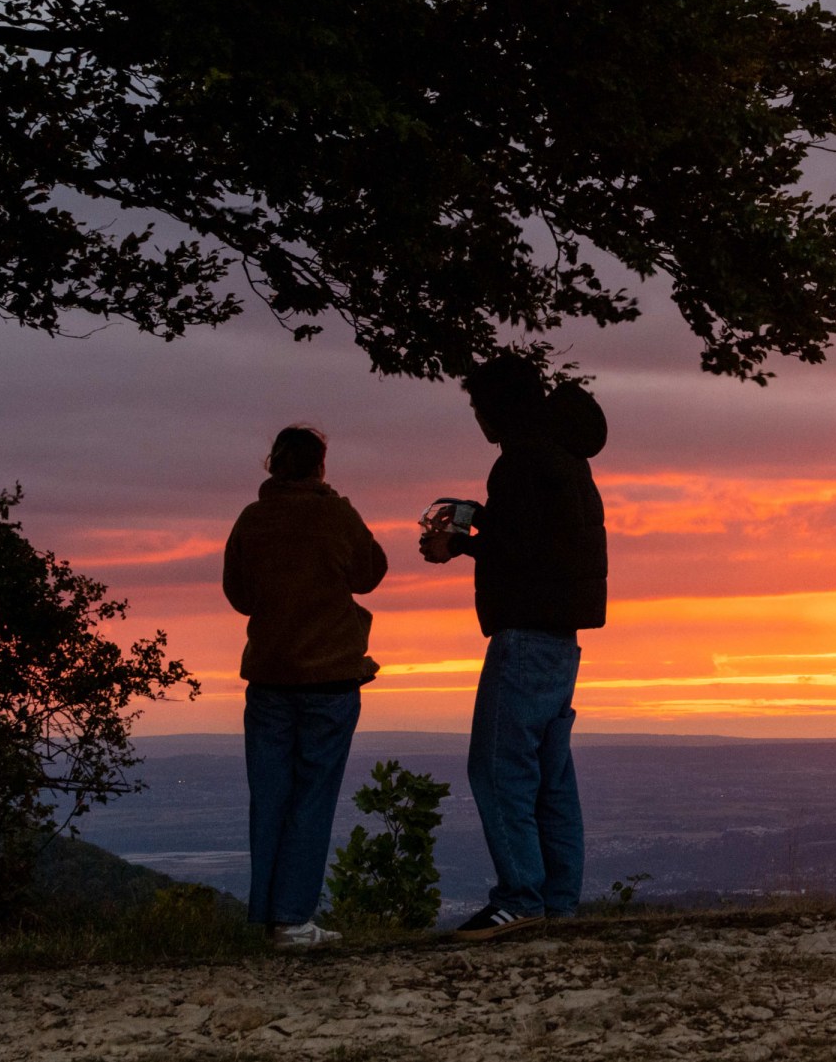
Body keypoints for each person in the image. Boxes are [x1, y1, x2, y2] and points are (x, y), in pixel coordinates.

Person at [419, 355, 608, 940]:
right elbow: (542, 535)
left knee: (498, 769)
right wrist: (476, 520)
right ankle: (557, 903)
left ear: (501, 404)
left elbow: (524, 549)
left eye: (480, 406)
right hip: (561, 639)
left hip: (524, 636)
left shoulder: (521, 461)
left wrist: (460, 546)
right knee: (550, 777)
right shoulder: (563, 458)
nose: (478, 419)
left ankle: (520, 899)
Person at [222, 424, 388, 950]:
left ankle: (271, 916)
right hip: (331, 677)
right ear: (321, 465)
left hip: (269, 675)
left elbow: (240, 595)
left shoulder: (252, 519)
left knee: (269, 796)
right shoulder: (335, 514)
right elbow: (370, 573)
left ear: (272, 463)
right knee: (313, 798)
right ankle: (292, 920)